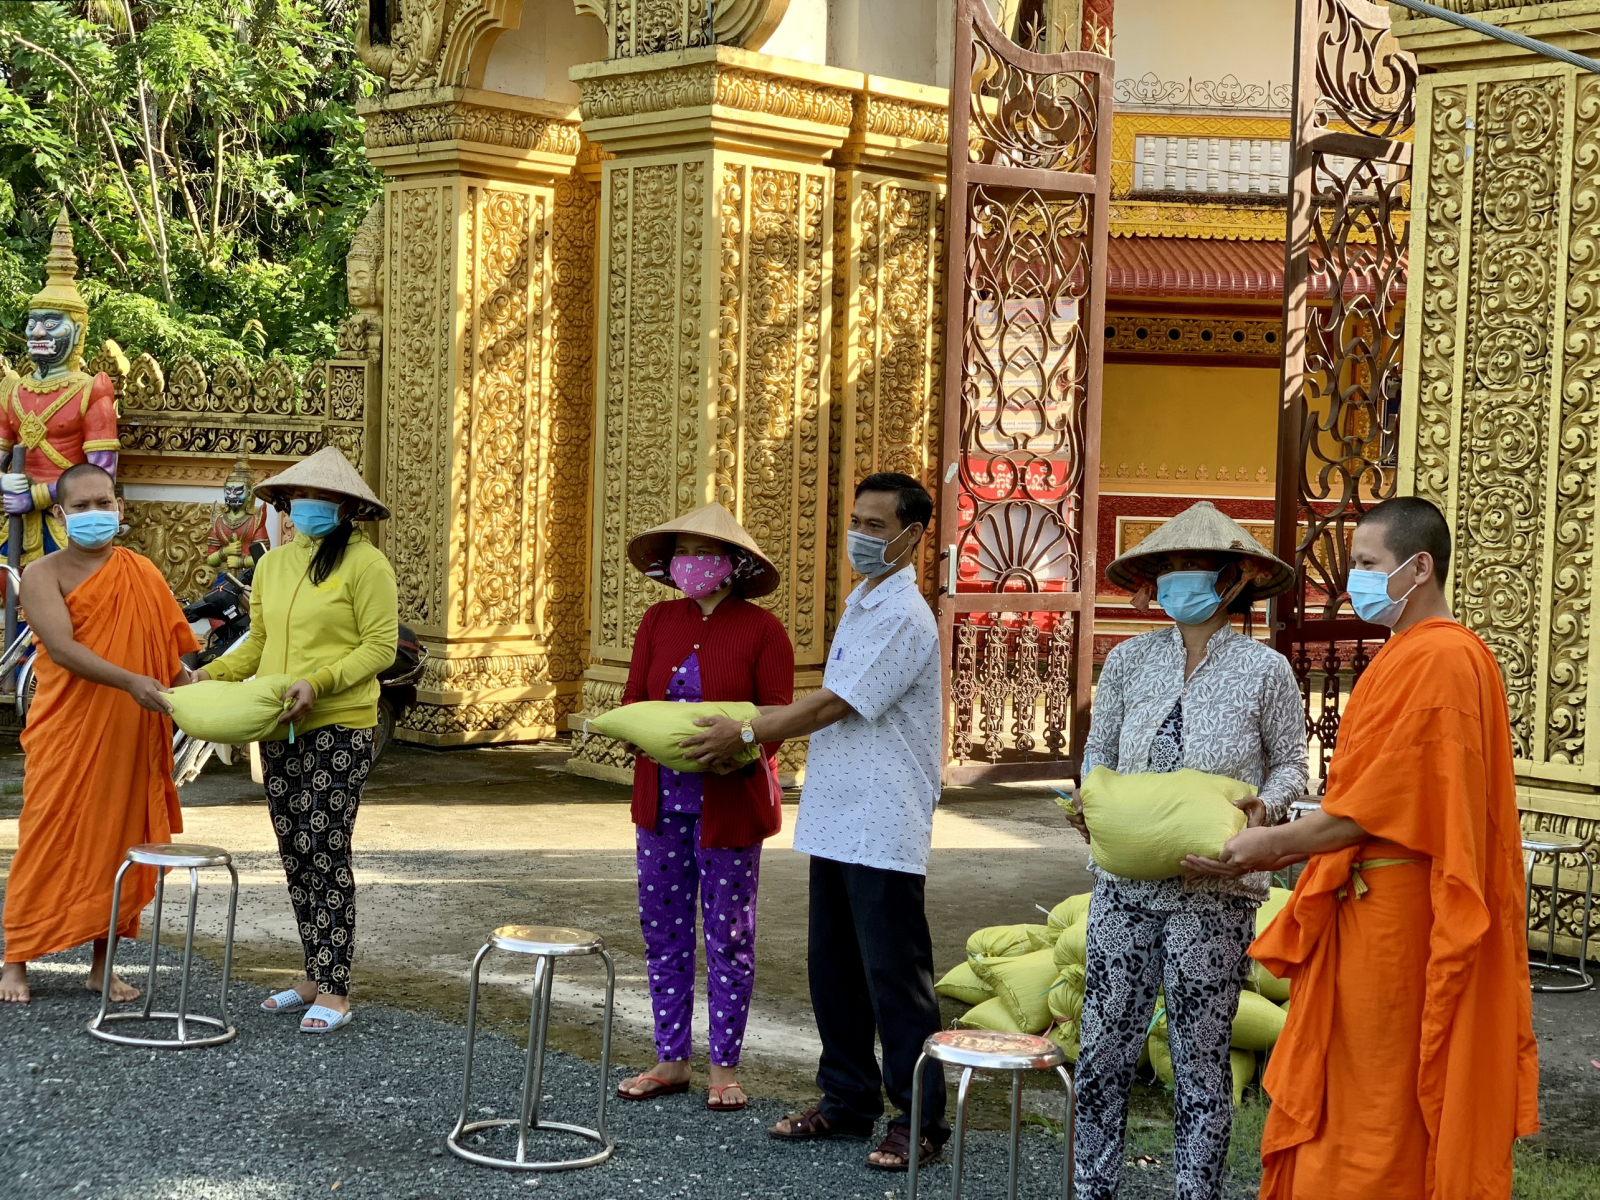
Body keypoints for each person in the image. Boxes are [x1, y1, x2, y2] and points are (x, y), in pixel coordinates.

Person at [1194, 496, 1539, 1199]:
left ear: (1420, 567)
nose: (1353, 578)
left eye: (1366, 564)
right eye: (1353, 564)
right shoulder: (1404, 656)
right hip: (1367, 907)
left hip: (1400, 920)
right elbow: (1371, 793)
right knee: (1347, 1082)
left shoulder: (1443, 658)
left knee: (1382, 1090)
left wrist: (1270, 846)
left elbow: (1371, 814)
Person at [684, 472, 946, 1172]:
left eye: (877, 527)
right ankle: (847, 1100)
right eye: (855, 521)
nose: (860, 536)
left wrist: (746, 728)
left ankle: (917, 1120)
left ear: (914, 536)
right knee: (834, 968)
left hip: (884, 817)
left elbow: (833, 705)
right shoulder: (866, 600)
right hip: (838, 815)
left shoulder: (903, 615)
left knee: (895, 975)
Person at [1063, 500, 1308, 1200]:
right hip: (1125, 887)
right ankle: (1091, 1188)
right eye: (1164, 570)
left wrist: (1263, 811)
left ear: (1232, 580)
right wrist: (1091, 806)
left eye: (1189, 570)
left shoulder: (1266, 671)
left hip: (1216, 893)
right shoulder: (1130, 659)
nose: (1175, 583)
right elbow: (1100, 753)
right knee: (1104, 1048)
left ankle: (1195, 1193)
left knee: (1199, 1060)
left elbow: (1292, 766)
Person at [192, 447, 397, 1034]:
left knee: (325, 846)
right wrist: (211, 673)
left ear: (348, 508)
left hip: (340, 723)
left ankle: (335, 986)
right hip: (280, 723)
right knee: (293, 847)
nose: (304, 508)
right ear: (282, 506)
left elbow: (379, 648)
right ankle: (312, 971)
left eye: (320, 499)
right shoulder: (275, 565)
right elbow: (257, 643)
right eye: (295, 499)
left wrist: (318, 681)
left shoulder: (365, 565)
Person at [611, 503, 794, 1112]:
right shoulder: (657, 621)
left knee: (728, 935)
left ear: (734, 565)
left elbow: (775, 717)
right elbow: (634, 700)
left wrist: (735, 748)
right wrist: (640, 732)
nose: (694, 563)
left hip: (730, 808)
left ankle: (724, 1066)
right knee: (663, 932)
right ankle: (670, 1059)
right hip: (660, 805)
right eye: (686, 551)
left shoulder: (763, 631)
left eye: (707, 552)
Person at [0, 463, 197, 1003]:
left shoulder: (143, 573)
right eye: (81, 507)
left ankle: (101, 966)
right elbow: (62, 648)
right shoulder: (43, 574)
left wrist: (202, 690)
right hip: (67, 731)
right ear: (60, 515)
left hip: (129, 733)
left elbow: (171, 658)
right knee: (44, 835)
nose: (94, 514)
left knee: (117, 842)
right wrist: (130, 680)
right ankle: (15, 959)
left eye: (102, 503)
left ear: (120, 508)